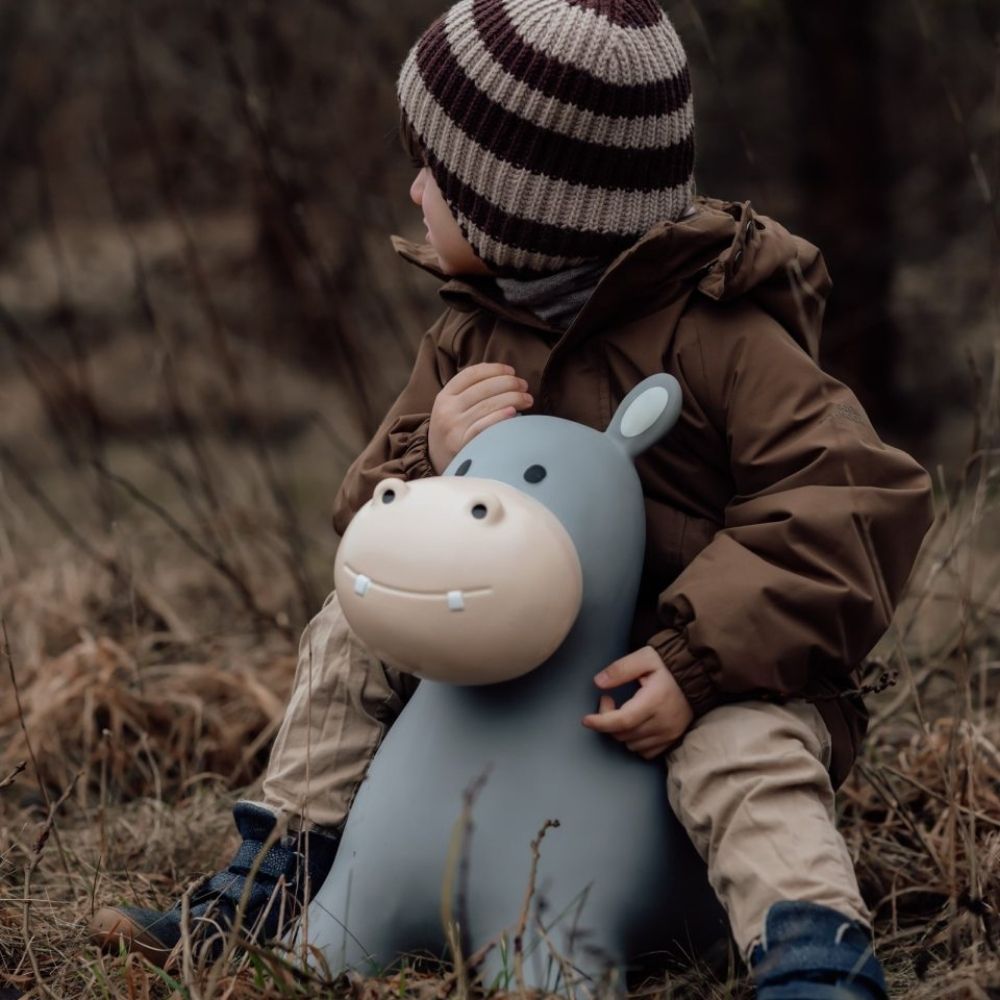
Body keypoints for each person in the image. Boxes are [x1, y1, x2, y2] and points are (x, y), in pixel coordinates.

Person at [91, 2, 933, 996]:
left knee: (740, 753)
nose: (413, 189)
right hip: (505, 649)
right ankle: (277, 870)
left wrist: (698, 656)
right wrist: (429, 452)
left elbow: (853, 499)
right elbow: (369, 518)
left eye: (436, 174)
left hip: (686, 666)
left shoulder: (725, 340)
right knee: (350, 634)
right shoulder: (469, 331)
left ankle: (808, 948)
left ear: (526, 206)